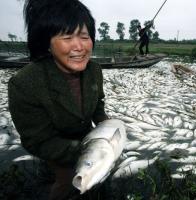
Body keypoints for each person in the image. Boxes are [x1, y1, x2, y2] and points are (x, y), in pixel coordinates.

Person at [8, 0, 108, 199]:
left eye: (84, 36)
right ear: (48, 43)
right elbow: (38, 140)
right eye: (67, 37)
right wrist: (88, 150)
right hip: (55, 144)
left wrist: (107, 125)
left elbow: (97, 103)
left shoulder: (94, 70)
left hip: (86, 137)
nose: (79, 46)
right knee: (65, 181)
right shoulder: (24, 84)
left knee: (96, 179)